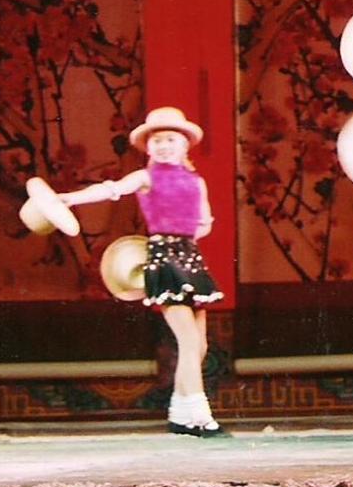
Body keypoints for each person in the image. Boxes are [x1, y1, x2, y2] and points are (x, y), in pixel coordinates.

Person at [60, 107, 229, 437]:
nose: (163, 145)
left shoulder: (196, 181)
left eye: (170, 139)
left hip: (190, 258)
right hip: (164, 259)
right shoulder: (145, 177)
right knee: (188, 340)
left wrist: (191, 231)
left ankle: (180, 413)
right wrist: (71, 199)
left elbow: (204, 222)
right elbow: (111, 190)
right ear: (148, 147)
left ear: (184, 145)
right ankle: (200, 415)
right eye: (157, 140)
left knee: (199, 345)